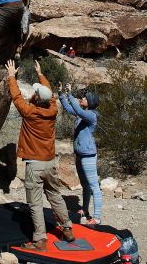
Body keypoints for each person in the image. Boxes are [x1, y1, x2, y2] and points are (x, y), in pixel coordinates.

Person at [5, 59, 75, 251]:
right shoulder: (52, 110)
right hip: (50, 162)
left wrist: (11, 76)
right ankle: (67, 229)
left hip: (34, 164)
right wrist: (40, 73)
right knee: (55, 195)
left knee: (35, 203)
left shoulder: (29, 112)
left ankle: (40, 241)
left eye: (35, 92)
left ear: (36, 98)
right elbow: (49, 92)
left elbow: (16, 96)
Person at [59, 84, 102, 225]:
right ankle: (84, 209)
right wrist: (61, 94)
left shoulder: (91, 115)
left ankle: (96, 217)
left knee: (94, 186)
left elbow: (76, 109)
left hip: (88, 155)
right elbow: (69, 108)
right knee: (85, 185)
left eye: (84, 98)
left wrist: (70, 94)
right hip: (79, 153)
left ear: (89, 102)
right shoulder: (84, 113)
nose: (82, 99)